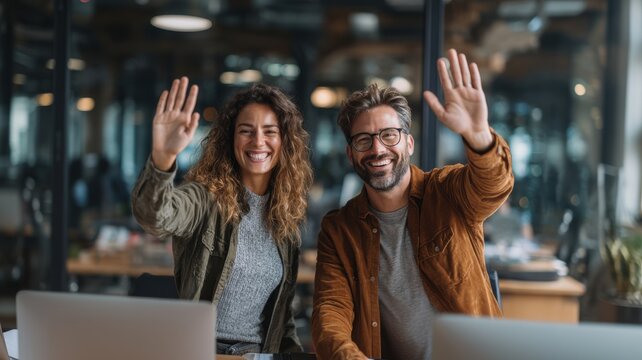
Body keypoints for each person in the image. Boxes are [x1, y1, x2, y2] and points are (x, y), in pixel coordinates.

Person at [311, 49, 514, 359]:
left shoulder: (447, 192)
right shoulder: (339, 229)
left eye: (389, 135)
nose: (377, 149)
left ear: (409, 142)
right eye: (363, 140)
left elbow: (493, 186)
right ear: (351, 154)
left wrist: (479, 137)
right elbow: (330, 314)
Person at [131, 77, 313, 355]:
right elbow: (155, 216)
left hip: (254, 354)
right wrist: (162, 157)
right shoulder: (205, 199)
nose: (258, 141)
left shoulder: (286, 218)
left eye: (270, 131)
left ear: (285, 141)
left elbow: (282, 321)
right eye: (246, 131)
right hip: (199, 350)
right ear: (231, 138)